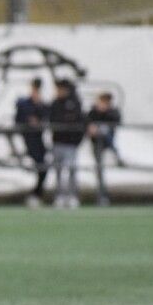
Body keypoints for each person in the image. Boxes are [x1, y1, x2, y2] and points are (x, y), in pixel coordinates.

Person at [49, 78, 86, 209]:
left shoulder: (75, 103)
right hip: (58, 142)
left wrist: (77, 140)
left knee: (71, 170)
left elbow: (79, 121)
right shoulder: (55, 103)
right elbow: (52, 119)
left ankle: (72, 196)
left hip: (70, 143)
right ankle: (59, 196)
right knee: (58, 171)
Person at [14, 77, 50, 208]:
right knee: (39, 166)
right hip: (28, 139)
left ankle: (36, 193)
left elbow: (47, 117)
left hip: (38, 140)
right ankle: (36, 194)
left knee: (43, 167)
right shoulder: (24, 104)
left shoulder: (41, 104)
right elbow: (18, 120)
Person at [87, 91, 122, 206]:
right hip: (97, 145)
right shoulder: (93, 112)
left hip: (107, 143)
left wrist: (104, 112)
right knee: (99, 171)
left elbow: (116, 121)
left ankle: (115, 153)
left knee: (104, 131)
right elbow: (87, 122)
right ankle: (102, 196)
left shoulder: (113, 112)